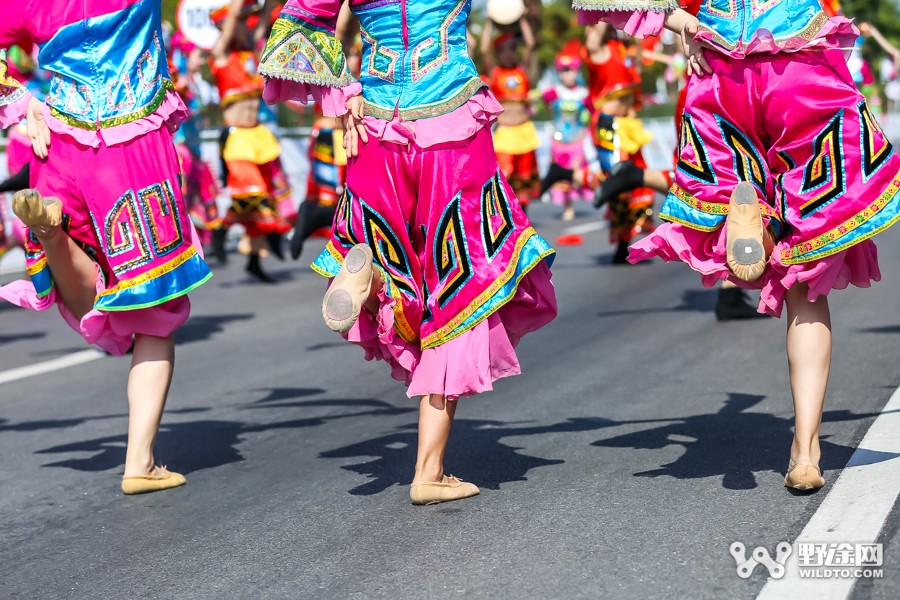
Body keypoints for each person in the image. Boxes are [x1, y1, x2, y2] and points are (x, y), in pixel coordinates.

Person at [576, 0, 900, 491]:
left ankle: (752, 220)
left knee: (735, 186)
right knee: (807, 283)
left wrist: (682, 22)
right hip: (800, 66)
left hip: (722, 70)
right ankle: (806, 451)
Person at [260, 0, 557, 505]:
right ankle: (429, 471)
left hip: (376, 129)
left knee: (395, 265)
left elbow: (304, 15)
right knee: (463, 291)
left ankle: (370, 279)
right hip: (451, 129)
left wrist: (343, 97)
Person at [0, 1, 213, 494]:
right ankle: (139, 462)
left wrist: (19, 101)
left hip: (59, 151)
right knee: (156, 317)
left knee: (82, 271)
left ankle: (53, 233)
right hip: (133, 156)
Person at [210, 0, 293, 282]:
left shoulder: (250, 55)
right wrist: (235, 12)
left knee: (267, 196)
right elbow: (233, 17)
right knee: (251, 194)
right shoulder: (221, 56)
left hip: (258, 135)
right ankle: (221, 229)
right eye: (235, 25)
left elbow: (260, 25)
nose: (243, 28)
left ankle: (255, 260)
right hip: (236, 138)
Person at [584, 23, 656, 264]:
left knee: (639, 181)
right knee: (618, 183)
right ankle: (622, 242)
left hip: (628, 124)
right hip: (609, 126)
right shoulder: (601, 49)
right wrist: (604, 10)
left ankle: (632, 238)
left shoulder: (626, 52)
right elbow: (592, 37)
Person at [481, 18, 541, 213]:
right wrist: (490, 21)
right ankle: (504, 214)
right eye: (504, 50)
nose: (508, 54)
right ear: (498, 53)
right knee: (504, 175)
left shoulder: (522, 72)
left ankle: (524, 216)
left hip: (524, 131)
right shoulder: (495, 73)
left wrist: (522, 18)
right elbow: (483, 50)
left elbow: (531, 45)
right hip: (504, 133)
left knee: (525, 177)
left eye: (512, 49)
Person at [538, 42, 593, 221]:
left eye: (571, 70)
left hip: (577, 140)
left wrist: (586, 129)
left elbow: (593, 113)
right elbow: (539, 99)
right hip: (558, 141)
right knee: (561, 175)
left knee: (576, 173)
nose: (568, 74)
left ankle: (586, 195)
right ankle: (567, 205)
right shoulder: (554, 92)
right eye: (564, 71)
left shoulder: (584, 94)